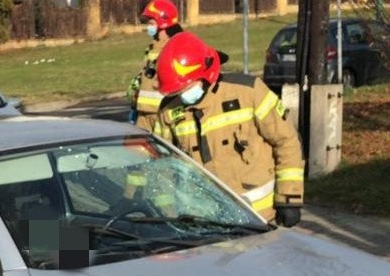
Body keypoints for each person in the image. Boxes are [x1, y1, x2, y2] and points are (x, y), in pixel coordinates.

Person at [153, 32, 304, 226]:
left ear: (205, 75)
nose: (181, 95)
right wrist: (164, 214)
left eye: (185, 88)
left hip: (258, 218)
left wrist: (289, 199)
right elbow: (161, 166)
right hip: (202, 222)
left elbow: (287, 141)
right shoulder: (168, 111)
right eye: (176, 91)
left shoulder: (249, 92)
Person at [126, 0, 184, 131]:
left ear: (163, 23)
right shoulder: (153, 47)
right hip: (144, 113)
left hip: (163, 115)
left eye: (151, 23)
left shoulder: (176, 47)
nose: (148, 27)